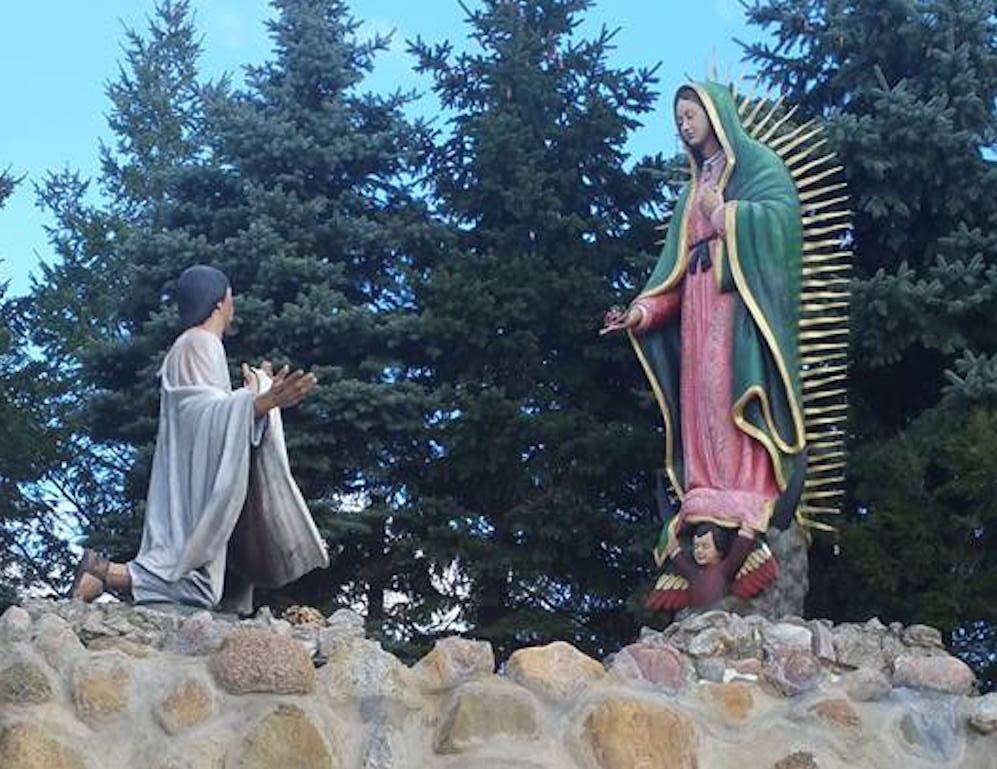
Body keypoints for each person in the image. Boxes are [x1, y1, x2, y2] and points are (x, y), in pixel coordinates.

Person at [603, 81, 806, 606]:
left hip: (737, 315)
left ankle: (746, 490)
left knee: (728, 392)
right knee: (700, 404)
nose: (685, 125)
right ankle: (707, 490)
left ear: (717, 115)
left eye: (691, 114)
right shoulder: (692, 190)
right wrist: (641, 313)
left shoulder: (757, 167)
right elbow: (671, 274)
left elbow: (782, 223)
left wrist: (724, 216)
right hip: (696, 311)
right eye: (679, 119)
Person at [70, 265, 329, 613]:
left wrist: (254, 395)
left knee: (200, 573)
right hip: (190, 480)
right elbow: (200, 414)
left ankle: (103, 574)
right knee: (192, 572)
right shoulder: (201, 343)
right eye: (231, 299)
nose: (232, 306)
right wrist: (260, 402)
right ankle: (104, 572)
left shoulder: (194, 345)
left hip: (188, 469)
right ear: (220, 302)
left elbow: (209, 411)